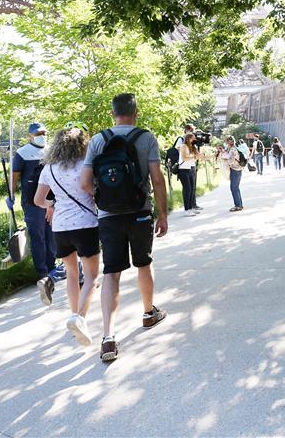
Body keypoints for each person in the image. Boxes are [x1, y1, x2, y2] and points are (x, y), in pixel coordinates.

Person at [80, 93, 168, 363]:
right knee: (143, 263)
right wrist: (162, 214)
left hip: (108, 216)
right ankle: (148, 312)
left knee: (112, 273)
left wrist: (102, 198)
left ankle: (108, 337)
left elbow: (84, 181)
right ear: (136, 111)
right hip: (140, 212)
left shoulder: (97, 140)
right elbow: (157, 178)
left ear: (112, 113)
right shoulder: (146, 138)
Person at [33, 122, 99, 346]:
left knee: (72, 274)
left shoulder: (49, 168)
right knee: (91, 276)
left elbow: (38, 200)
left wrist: (52, 204)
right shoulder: (85, 165)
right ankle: (79, 317)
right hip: (86, 224)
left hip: (60, 227)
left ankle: (74, 316)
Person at [9, 122, 62, 296]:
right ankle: (42, 272)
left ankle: (52, 268)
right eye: (38, 133)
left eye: (44, 132)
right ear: (30, 135)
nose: (42, 135)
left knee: (51, 234)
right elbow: (14, 175)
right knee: (38, 236)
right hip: (32, 202)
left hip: (51, 200)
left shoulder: (51, 151)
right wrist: (11, 194)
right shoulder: (22, 153)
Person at [175, 124, 201, 212]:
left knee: (192, 187)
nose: (193, 132)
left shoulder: (192, 142)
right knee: (187, 188)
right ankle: (188, 208)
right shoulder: (181, 139)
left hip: (191, 166)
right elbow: (180, 151)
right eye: (192, 130)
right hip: (184, 166)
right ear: (187, 130)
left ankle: (193, 205)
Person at [224, 136, 244, 211]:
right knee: (236, 188)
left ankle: (238, 206)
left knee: (234, 188)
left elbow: (231, 161)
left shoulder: (233, 149)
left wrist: (225, 159)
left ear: (229, 142)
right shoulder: (234, 148)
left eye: (227, 141)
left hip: (235, 170)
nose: (227, 143)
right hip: (237, 169)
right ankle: (239, 205)